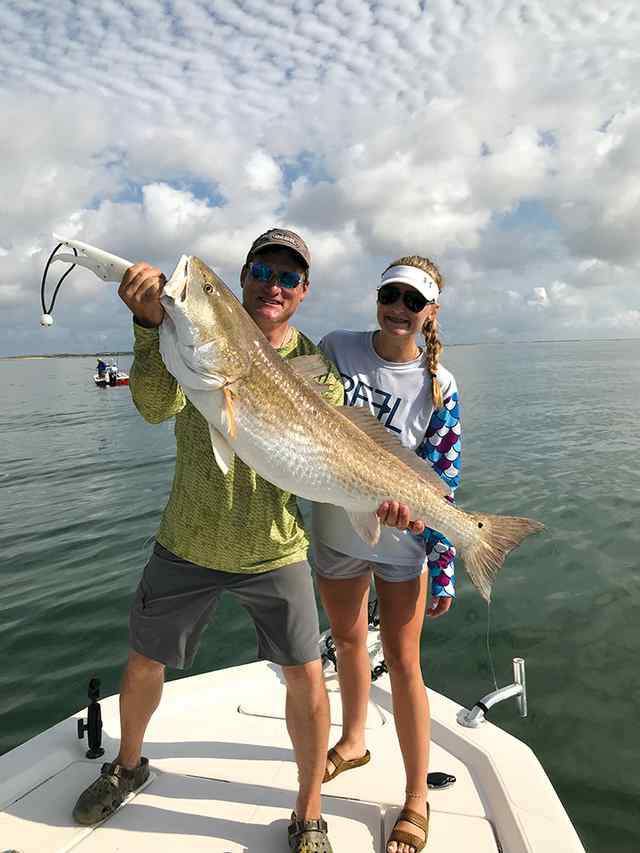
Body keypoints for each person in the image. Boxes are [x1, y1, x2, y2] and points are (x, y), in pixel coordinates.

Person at [72, 228, 414, 852]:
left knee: (306, 677)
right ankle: (128, 765)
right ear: (244, 279)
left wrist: (381, 497)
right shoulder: (188, 344)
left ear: (303, 291)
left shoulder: (315, 366)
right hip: (189, 536)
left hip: (274, 547)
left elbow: (330, 456)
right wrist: (147, 326)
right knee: (144, 660)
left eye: (288, 277)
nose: (273, 286)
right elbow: (153, 406)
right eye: (261, 272)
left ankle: (309, 812)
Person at [311, 256, 461, 853]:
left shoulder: (441, 384)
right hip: (336, 527)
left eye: (413, 301)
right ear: (378, 298)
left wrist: (443, 568)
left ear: (431, 312)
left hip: (402, 542)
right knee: (347, 642)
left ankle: (416, 795)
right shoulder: (335, 348)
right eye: (390, 296)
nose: (399, 308)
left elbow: (445, 479)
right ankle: (353, 742)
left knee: (403, 662)